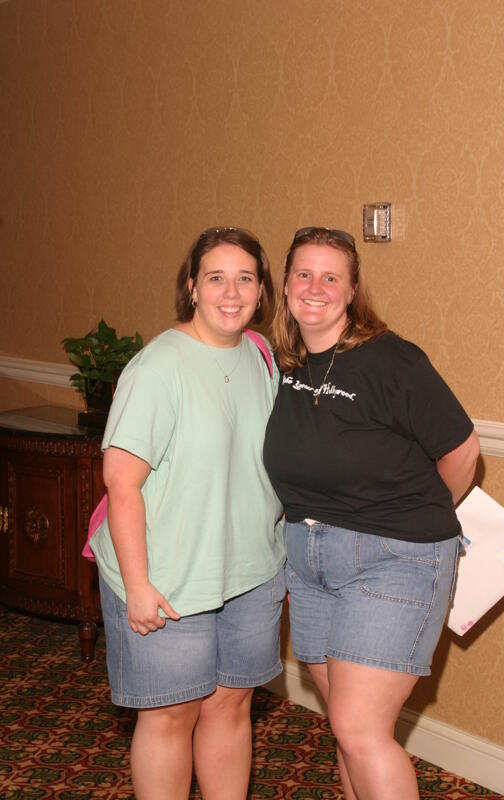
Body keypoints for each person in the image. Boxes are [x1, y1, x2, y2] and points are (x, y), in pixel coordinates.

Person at [263, 226, 479, 800]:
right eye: (304, 274)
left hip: (394, 561)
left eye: (331, 276)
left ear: (353, 290)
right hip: (309, 565)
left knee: (360, 729)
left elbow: (463, 452)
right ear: (284, 287)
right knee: (349, 731)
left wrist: (417, 516)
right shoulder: (283, 365)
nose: (316, 287)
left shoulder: (393, 361)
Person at [88, 227, 285, 800]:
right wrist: (138, 584)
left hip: (248, 570)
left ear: (260, 290)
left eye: (245, 278)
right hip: (167, 576)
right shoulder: (158, 366)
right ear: (192, 288)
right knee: (170, 715)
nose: (232, 291)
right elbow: (120, 483)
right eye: (216, 278)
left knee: (230, 704)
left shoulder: (259, 355)